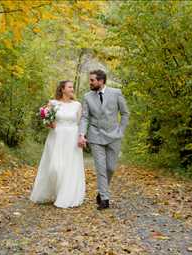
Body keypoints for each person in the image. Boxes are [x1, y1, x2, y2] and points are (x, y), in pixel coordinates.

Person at [78, 70, 130, 210]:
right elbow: (85, 117)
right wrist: (82, 134)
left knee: (110, 168)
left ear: (101, 81)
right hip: (95, 135)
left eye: (92, 80)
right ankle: (104, 199)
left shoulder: (116, 93)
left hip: (114, 135)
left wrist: (121, 130)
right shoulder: (87, 97)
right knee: (100, 168)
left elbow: (125, 113)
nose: (90, 83)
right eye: (90, 80)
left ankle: (102, 191)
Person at [30, 80, 85, 208]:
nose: (72, 89)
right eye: (70, 87)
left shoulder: (77, 105)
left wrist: (81, 137)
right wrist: (49, 123)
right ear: (62, 89)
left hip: (71, 137)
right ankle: (52, 192)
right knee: (54, 167)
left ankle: (66, 195)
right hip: (56, 137)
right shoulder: (53, 103)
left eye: (72, 87)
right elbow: (45, 118)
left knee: (69, 166)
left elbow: (80, 123)